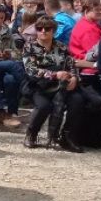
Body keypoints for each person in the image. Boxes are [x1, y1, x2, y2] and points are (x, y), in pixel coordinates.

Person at [22, 16, 84, 151]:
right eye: (39, 28)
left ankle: (67, 137)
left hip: (61, 86)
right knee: (43, 106)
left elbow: (72, 65)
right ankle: (31, 134)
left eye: (47, 28)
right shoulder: (29, 46)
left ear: (54, 31)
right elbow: (30, 70)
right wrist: (54, 74)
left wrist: (74, 78)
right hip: (38, 86)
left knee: (77, 100)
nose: (43, 31)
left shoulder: (62, 47)